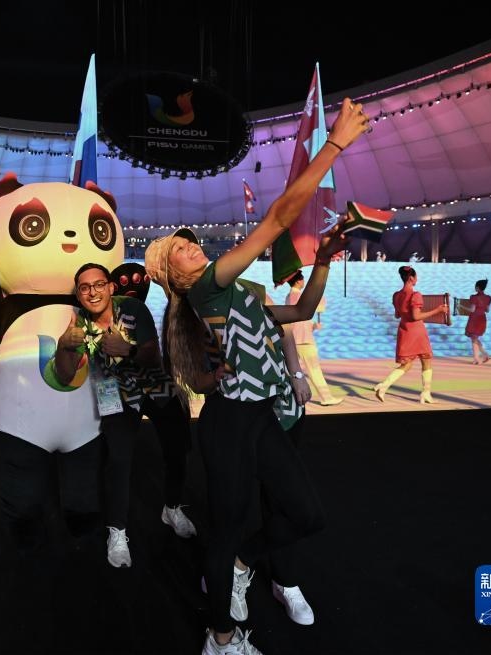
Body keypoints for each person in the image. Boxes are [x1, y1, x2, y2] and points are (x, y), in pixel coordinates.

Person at [143, 97, 368, 655]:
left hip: (263, 414)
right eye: (180, 251)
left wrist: (323, 261)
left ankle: (245, 562)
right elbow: (277, 219)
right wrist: (334, 145)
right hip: (230, 421)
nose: (192, 248)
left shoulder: (237, 292)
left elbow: (301, 311)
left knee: (307, 515)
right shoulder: (205, 288)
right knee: (225, 527)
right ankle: (221, 637)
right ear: (172, 276)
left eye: (190, 243)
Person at [55, 263, 196, 569]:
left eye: (98, 284)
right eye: (84, 287)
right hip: (113, 391)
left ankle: (172, 507)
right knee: (118, 460)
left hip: (154, 384)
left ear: (110, 287)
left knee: (178, 447)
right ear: (78, 294)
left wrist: (126, 349)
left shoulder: (132, 309)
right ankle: (117, 531)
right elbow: (64, 376)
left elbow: (152, 355)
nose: (93, 292)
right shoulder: (77, 324)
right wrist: (63, 347)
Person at [373, 266, 448, 403]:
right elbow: (416, 316)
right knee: (426, 360)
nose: (417, 279)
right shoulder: (415, 295)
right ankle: (425, 393)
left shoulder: (396, 295)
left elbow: (397, 315)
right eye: (416, 277)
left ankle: (384, 386)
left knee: (406, 364)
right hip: (417, 331)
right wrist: (438, 310)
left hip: (404, 330)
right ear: (412, 278)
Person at [283, 270, 342, 406]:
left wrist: (313, 325)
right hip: (303, 339)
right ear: (299, 281)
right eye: (303, 279)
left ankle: (290, 396)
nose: (304, 281)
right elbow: (304, 314)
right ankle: (326, 397)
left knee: (292, 370)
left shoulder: (289, 296)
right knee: (314, 370)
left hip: (295, 338)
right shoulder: (298, 296)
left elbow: (300, 319)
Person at [464, 279, 491, 365]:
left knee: (474, 338)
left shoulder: (474, 297)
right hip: (482, 318)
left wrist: (461, 306)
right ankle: (483, 355)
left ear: (477, 287)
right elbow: (487, 310)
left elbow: (472, 309)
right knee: (474, 338)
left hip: (474, 319)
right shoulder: (488, 297)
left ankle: (478, 358)